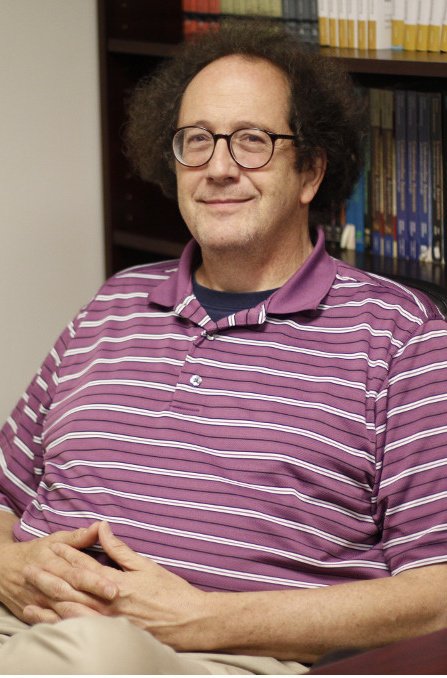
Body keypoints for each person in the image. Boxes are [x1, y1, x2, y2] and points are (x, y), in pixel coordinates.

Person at [0, 19, 446, 675]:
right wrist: (9, 566)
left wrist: (205, 620)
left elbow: (437, 593)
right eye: (197, 141)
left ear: (309, 172)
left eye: (252, 142)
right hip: (21, 623)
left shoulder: (400, 337)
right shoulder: (112, 304)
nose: (217, 167)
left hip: (214, 657)